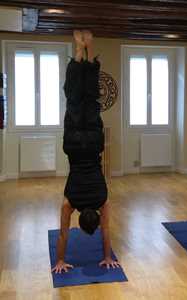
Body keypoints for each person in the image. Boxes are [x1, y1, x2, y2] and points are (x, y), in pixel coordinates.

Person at [51, 30, 120, 274]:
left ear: (98, 216)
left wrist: (107, 256)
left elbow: (107, 231)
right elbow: (62, 234)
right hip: (73, 145)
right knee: (73, 97)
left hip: (93, 144)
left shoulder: (102, 199)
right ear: (79, 220)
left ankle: (89, 52)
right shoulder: (70, 202)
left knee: (90, 99)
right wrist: (60, 261)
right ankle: (78, 51)